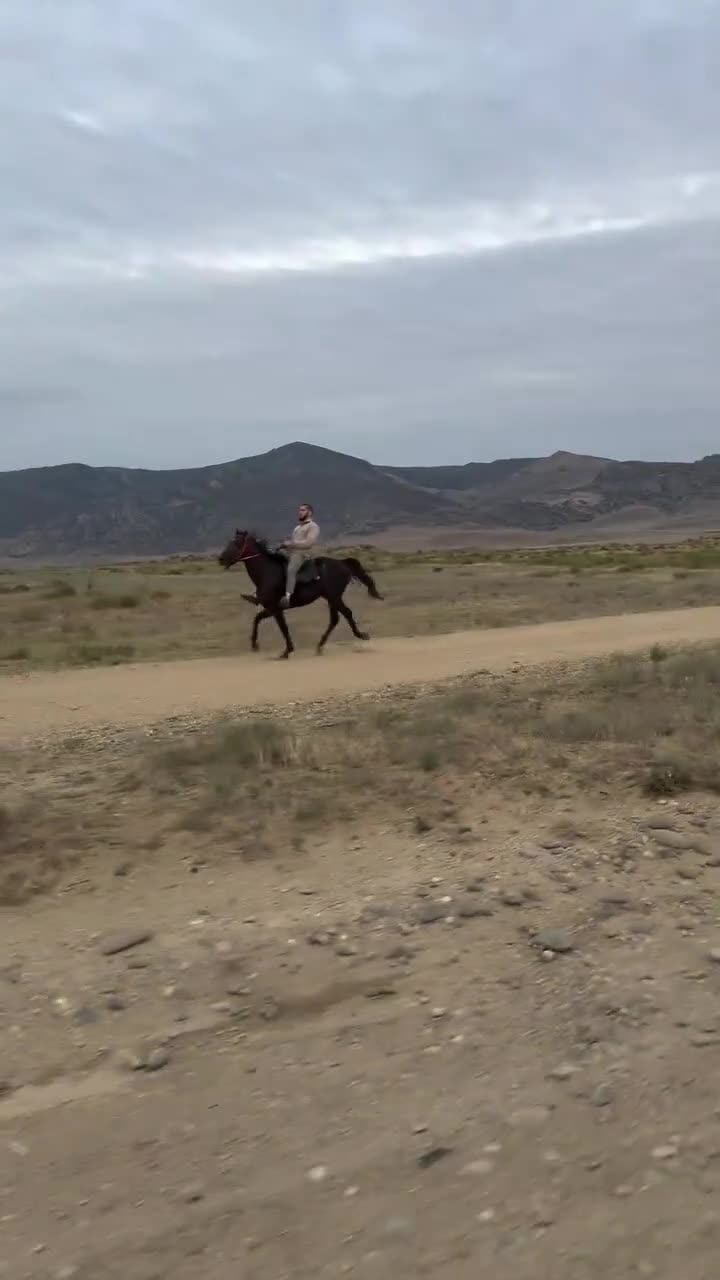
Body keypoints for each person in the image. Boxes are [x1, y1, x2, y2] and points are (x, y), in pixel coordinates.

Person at [280, 503, 320, 606]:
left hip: (302, 554)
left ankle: (288, 597)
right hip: (291, 552)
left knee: (291, 570)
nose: (300, 512)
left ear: (309, 512)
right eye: (300, 510)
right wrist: (285, 544)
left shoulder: (313, 526)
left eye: (303, 510)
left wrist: (292, 543)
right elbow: (293, 542)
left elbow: (309, 543)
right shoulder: (297, 528)